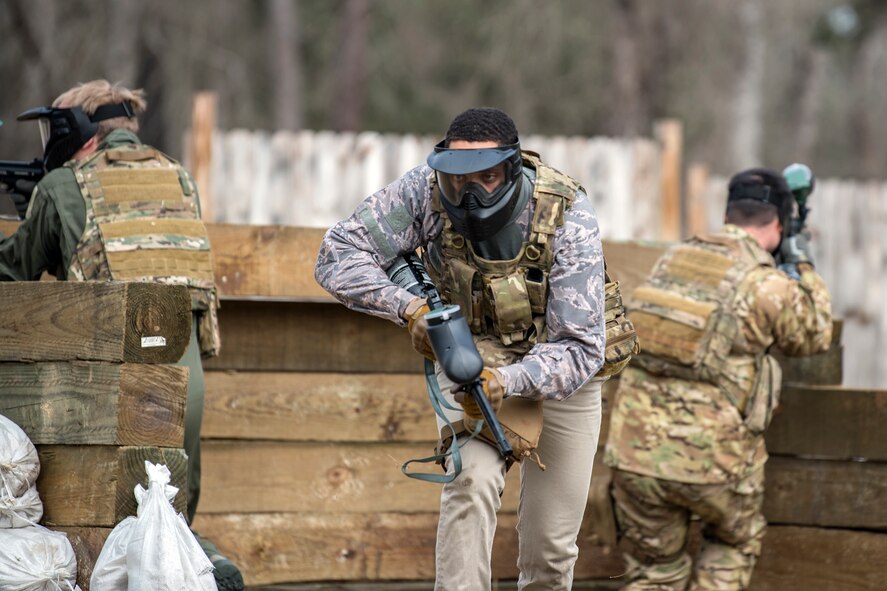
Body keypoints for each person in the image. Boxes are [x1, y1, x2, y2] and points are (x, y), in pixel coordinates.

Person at [315, 107, 607, 590]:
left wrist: (509, 381)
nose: (469, 193)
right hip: (470, 356)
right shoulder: (424, 191)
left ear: (512, 169)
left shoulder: (565, 212)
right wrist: (408, 308)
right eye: (456, 180)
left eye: (487, 178)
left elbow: (579, 347)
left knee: (550, 549)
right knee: (470, 487)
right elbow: (337, 251)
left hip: (561, 372)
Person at [0, 80, 243, 591]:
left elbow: (14, 268)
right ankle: (210, 570)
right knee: (168, 516)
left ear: (80, 133)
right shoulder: (179, 178)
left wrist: (37, 209)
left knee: (106, 521)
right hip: (184, 377)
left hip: (112, 376)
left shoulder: (67, 184)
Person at [603, 168, 833, 590]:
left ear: (728, 215)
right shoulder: (766, 285)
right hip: (715, 465)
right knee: (732, 545)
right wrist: (801, 259)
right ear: (779, 224)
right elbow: (815, 332)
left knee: (654, 575)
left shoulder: (674, 260)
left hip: (636, 455)